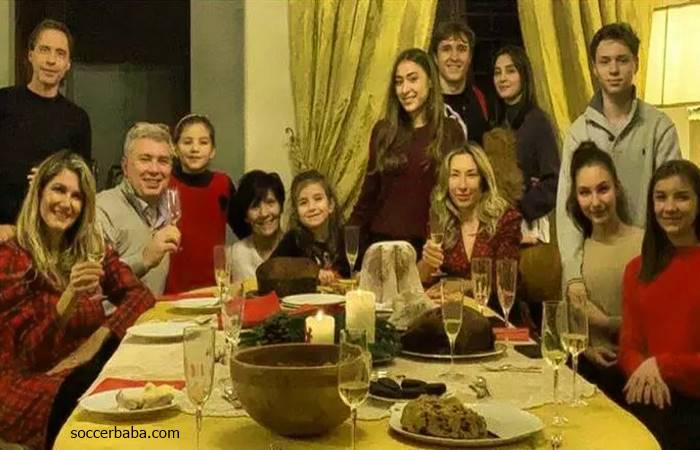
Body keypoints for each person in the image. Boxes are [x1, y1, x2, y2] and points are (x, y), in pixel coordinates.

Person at [0, 151, 154, 450]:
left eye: (77, 196)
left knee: (131, 388)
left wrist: (98, 337)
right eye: (58, 190)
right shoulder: (12, 257)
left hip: (83, 370)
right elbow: (28, 356)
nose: (66, 203)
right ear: (39, 193)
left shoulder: (89, 248)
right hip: (27, 383)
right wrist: (68, 298)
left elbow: (140, 294)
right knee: (106, 406)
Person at [556, 23, 681, 303]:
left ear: (635, 63)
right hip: (594, 269)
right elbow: (567, 212)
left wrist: (662, 263)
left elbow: (672, 207)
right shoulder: (579, 132)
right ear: (594, 68)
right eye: (605, 62)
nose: (613, 70)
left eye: (622, 60)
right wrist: (574, 274)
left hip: (649, 261)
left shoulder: (659, 128)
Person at [349, 48, 464, 260]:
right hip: (382, 246)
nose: (405, 89)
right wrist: (342, 255)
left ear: (430, 81)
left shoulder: (450, 131)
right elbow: (368, 197)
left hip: (429, 249)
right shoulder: (383, 131)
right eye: (399, 82)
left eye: (413, 79)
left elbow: (459, 196)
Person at [619, 160, 700, 449]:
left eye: (682, 196)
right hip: (649, 400)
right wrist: (643, 373)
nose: (669, 207)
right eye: (660, 197)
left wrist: (662, 365)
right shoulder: (636, 270)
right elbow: (629, 346)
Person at [565, 142, 643, 402]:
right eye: (585, 193)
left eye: (603, 189)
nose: (595, 202)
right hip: (588, 372)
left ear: (617, 189)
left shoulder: (644, 244)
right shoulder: (576, 254)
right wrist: (586, 348)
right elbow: (564, 322)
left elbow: (660, 319)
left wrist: (609, 323)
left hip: (640, 371)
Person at [0, 19, 91, 226]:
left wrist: (50, 177)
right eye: (44, 50)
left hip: (53, 232)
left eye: (60, 53)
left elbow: (82, 185)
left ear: (68, 64)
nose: (51, 60)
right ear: (30, 55)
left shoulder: (78, 119)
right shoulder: (3, 103)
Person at [417, 144, 521, 303]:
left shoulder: (506, 219)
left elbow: (505, 281)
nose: (462, 186)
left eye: (471, 175)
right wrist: (427, 262)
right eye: (455, 175)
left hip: (495, 312)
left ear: (483, 181)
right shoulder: (441, 218)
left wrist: (460, 286)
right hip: (451, 309)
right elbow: (421, 280)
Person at [96, 123, 181, 295]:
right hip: (114, 321)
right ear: (125, 167)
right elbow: (92, 285)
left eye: (163, 161)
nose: (154, 170)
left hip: (155, 318)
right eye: (145, 159)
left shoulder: (168, 209)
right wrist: (144, 259)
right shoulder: (101, 209)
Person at [491, 45, 559, 244]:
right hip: (498, 224)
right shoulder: (496, 123)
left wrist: (520, 209)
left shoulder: (538, 122)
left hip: (528, 226)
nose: (502, 78)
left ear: (523, 75)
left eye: (510, 71)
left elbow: (553, 182)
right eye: (497, 73)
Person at [164, 114, 237, 294]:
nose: (195, 149)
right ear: (175, 149)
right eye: (187, 142)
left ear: (213, 150)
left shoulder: (223, 184)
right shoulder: (164, 183)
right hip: (172, 288)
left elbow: (245, 230)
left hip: (214, 287)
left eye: (203, 142)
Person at [273, 169, 349, 285]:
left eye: (318, 199)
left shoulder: (345, 237)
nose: (312, 207)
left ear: (331, 205)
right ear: (296, 212)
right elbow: (271, 269)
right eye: (303, 202)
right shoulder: (292, 240)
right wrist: (310, 272)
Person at [429, 20, 489, 144]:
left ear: (470, 57)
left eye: (461, 49)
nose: (454, 57)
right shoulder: (425, 103)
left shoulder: (480, 99)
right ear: (435, 57)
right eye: (446, 49)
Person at [229, 170, 285, 282]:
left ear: (281, 207)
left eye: (270, 202)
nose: (264, 213)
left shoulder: (296, 249)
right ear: (246, 216)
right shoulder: (235, 254)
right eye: (255, 206)